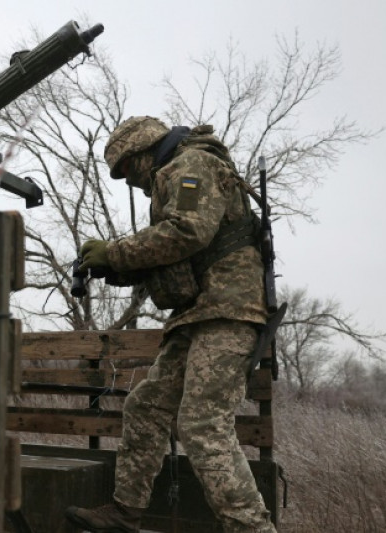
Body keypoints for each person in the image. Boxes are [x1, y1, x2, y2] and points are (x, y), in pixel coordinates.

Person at [65, 116, 276, 533]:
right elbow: (175, 255)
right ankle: (126, 514)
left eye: (126, 169)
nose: (128, 182)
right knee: (146, 405)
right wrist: (115, 267)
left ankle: (253, 529)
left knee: (202, 424)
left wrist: (116, 252)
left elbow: (188, 231)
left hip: (228, 311)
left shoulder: (192, 165)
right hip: (197, 314)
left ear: (143, 152)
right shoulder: (175, 175)